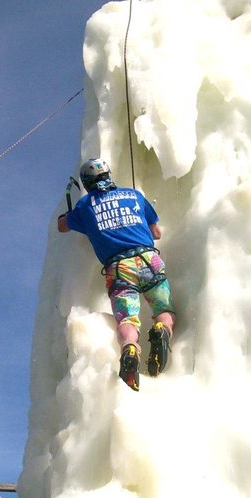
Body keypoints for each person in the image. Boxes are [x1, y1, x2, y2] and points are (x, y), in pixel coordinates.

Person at [58, 158, 176, 391]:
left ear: (87, 183)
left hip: (119, 269)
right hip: (149, 260)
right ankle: (162, 330)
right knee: (164, 310)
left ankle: (130, 347)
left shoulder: (85, 206)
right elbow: (157, 232)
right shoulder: (134, 196)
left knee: (127, 319)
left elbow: (62, 226)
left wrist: (70, 213)